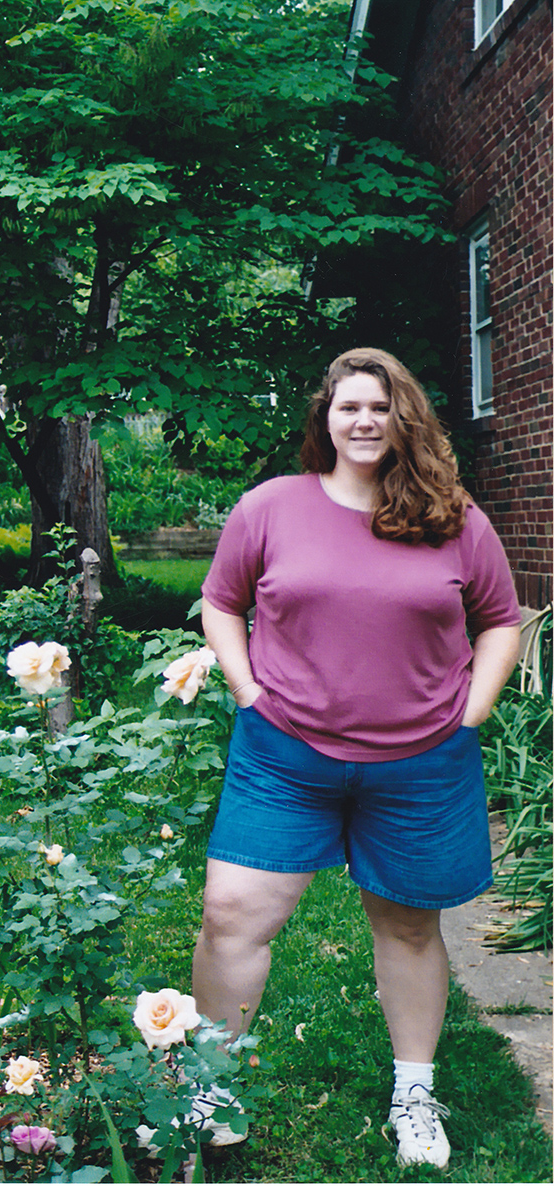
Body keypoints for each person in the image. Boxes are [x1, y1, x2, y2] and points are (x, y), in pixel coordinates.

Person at [191, 347, 521, 1168]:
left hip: (420, 763)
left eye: (380, 407)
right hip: (285, 755)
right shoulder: (271, 506)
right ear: (326, 420)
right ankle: (206, 1082)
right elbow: (222, 602)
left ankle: (415, 1091)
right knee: (231, 911)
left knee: (409, 926)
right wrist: (246, 691)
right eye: (349, 408)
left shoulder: (454, 517)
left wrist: (469, 714)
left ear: (403, 416)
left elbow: (501, 620)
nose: (365, 421)